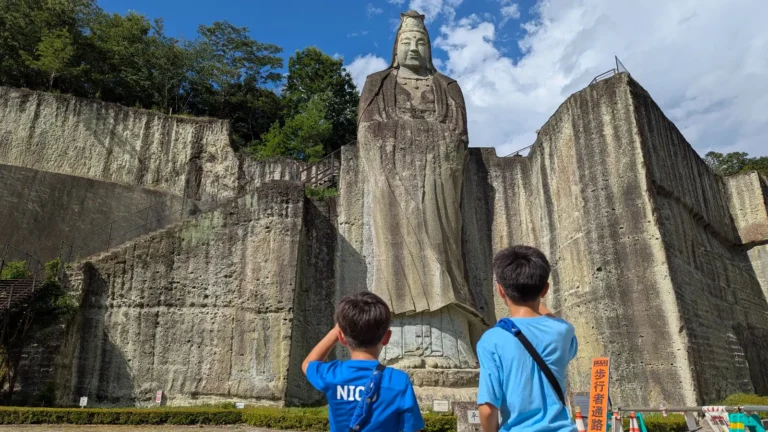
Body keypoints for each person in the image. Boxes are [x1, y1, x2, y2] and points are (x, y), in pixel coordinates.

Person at [477, 246, 579, 432]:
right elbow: (551, 320)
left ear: (500, 290)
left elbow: (487, 408)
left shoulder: (491, 340)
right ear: (545, 289)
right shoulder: (564, 331)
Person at [302, 291, 425, 432]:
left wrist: (335, 331)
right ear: (386, 338)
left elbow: (308, 364)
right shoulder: (398, 381)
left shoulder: (333, 374)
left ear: (341, 337)